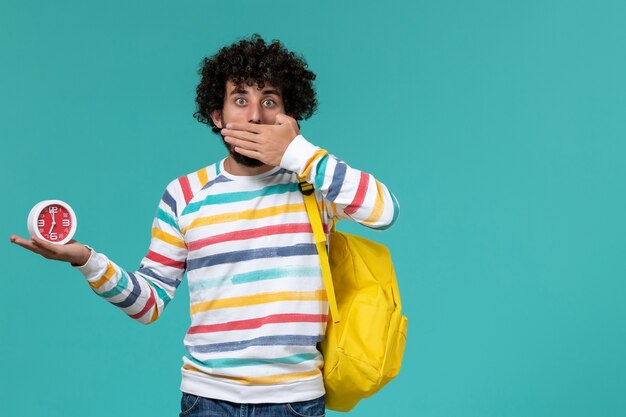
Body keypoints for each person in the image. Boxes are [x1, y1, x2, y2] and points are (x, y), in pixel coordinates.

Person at [10, 34, 399, 417]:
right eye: (240, 99)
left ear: (287, 115)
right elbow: (148, 303)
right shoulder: (184, 194)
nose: (254, 115)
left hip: (295, 400)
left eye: (269, 101)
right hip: (206, 401)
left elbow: (384, 212)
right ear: (218, 115)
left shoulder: (312, 181)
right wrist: (86, 260)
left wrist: (296, 152)